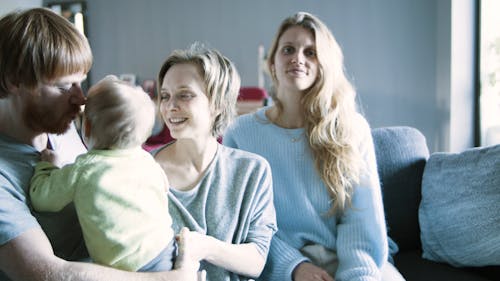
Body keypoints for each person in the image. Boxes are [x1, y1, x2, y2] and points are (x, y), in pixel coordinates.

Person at [0, 8, 196, 281]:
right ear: (13, 81)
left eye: (79, 83)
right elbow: (47, 273)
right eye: (63, 86)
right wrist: (169, 278)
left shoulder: (60, 126)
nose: (80, 100)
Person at [223, 12, 406, 281]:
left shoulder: (352, 129)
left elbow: (362, 223)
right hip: (274, 265)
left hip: (347, 260)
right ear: (272, 63)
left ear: (324, 65)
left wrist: (357, 276)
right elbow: (239, 224)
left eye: (311, 52)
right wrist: (294, 267)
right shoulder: (241, 134)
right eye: (288, 50)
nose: (298, 58)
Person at [152, 43, 277, 281]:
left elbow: (257, 260)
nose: (170, 106)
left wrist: (204, 247)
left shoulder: (252, 171)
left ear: (218, 103)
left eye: (185, 95)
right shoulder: (142, 168)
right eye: (165, 96)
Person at [29, 75, 176, 272]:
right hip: (165, 250)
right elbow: (163, 187)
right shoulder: (147, 159)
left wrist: (47, 166)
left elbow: (42, 198)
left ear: (87, 127)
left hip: (123, 266)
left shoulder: (85, 168)